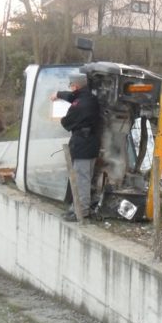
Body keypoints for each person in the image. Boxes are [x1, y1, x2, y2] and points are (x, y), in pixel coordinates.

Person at [51, 72, 100, 221]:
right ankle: (77, 207)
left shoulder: (80, 104)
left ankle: (82, 211)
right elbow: (72, 96)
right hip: (90, 143)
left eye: (71, 85)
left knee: (82, 179)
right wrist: (59, 94)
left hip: (82, 145)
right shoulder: (88, 97)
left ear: (76, 86)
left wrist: (62, 116)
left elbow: (66, 122)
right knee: (83, 177)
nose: (70, 89)